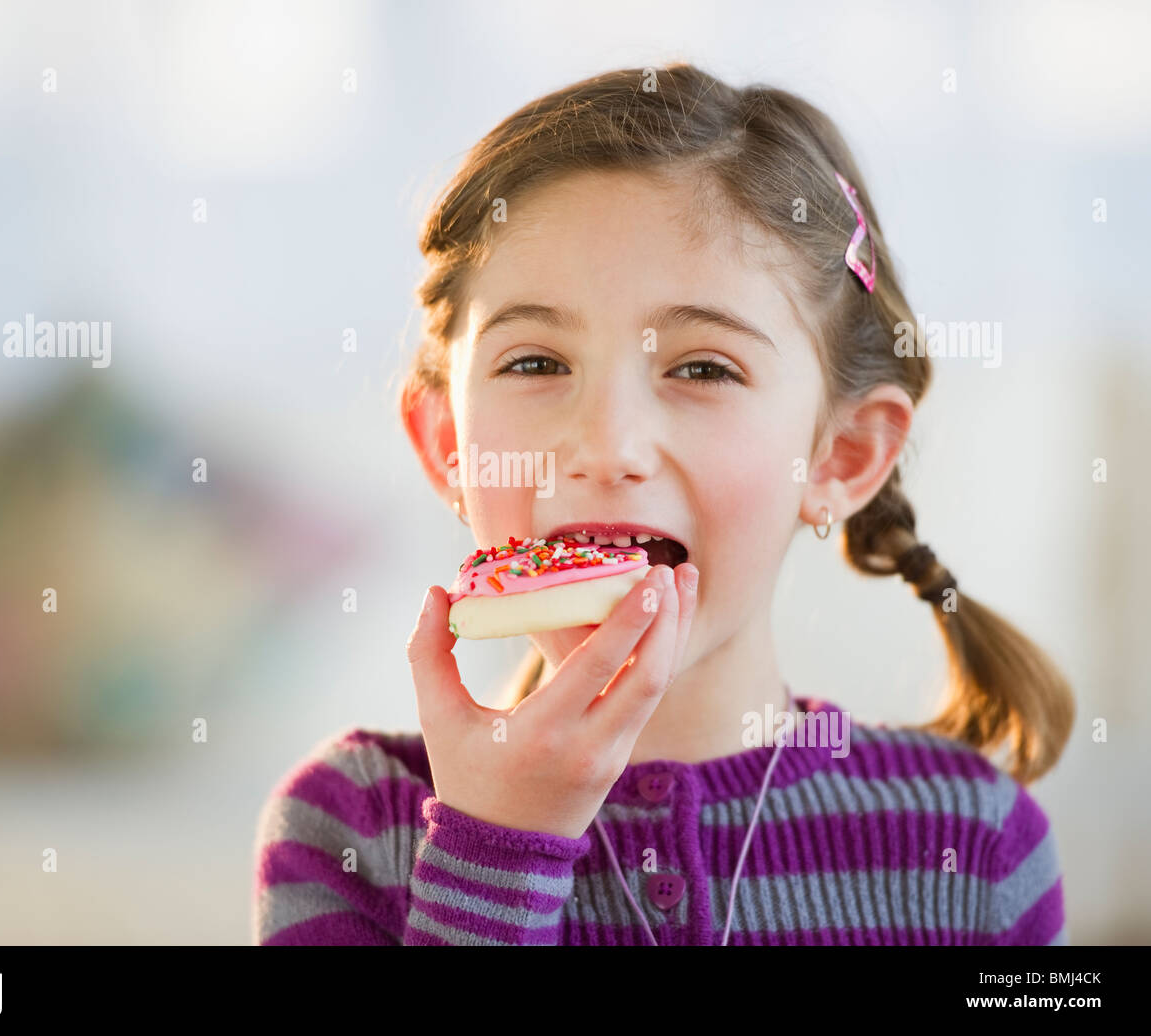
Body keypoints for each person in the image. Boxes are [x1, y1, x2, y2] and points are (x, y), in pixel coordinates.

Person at [252, 63, 1073, 946]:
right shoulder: (349, 827)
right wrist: (497, 849)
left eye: (702, 369)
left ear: (842, 454)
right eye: (535, 363)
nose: (608, 446)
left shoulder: (977, 848)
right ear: (450, 447)